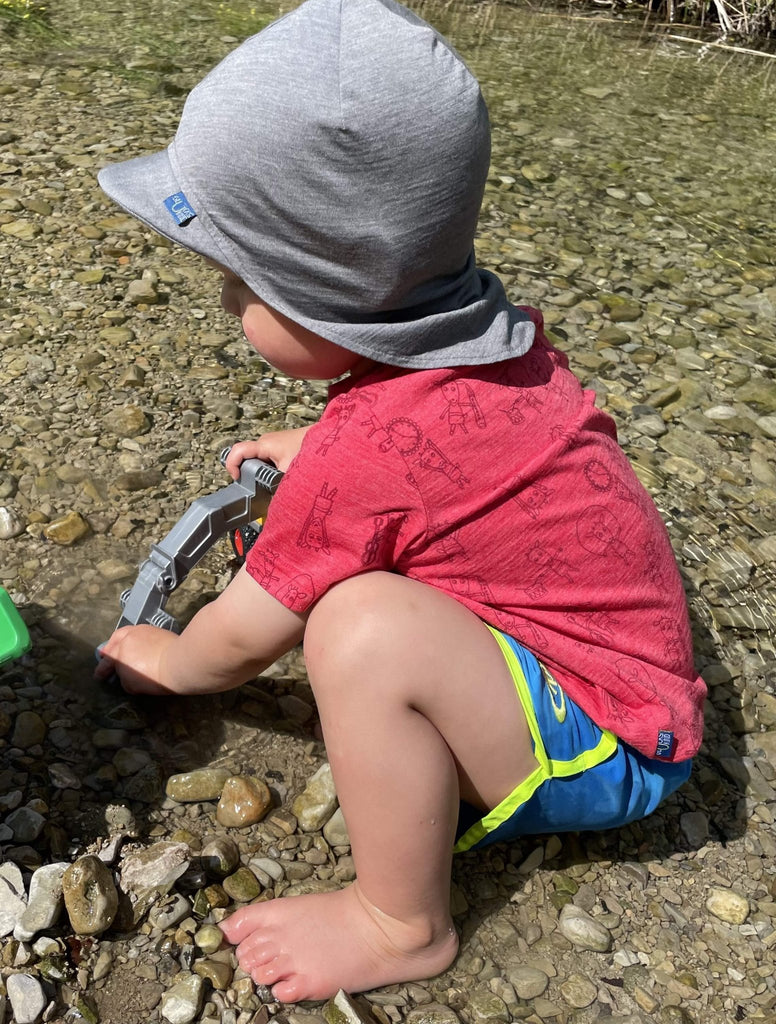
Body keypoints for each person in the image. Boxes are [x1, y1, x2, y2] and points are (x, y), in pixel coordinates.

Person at [94, 0, 705, 1003]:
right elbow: (450, 462)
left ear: (324, 287)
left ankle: (401, 923)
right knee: (370, 593)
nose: (223, 301)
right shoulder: (494, 342)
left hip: (612, 747)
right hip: (631, 686)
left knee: (360, 627)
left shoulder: (367, 460)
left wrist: (168, 660)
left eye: (239, 281)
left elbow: (240, 641)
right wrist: (323, 449)